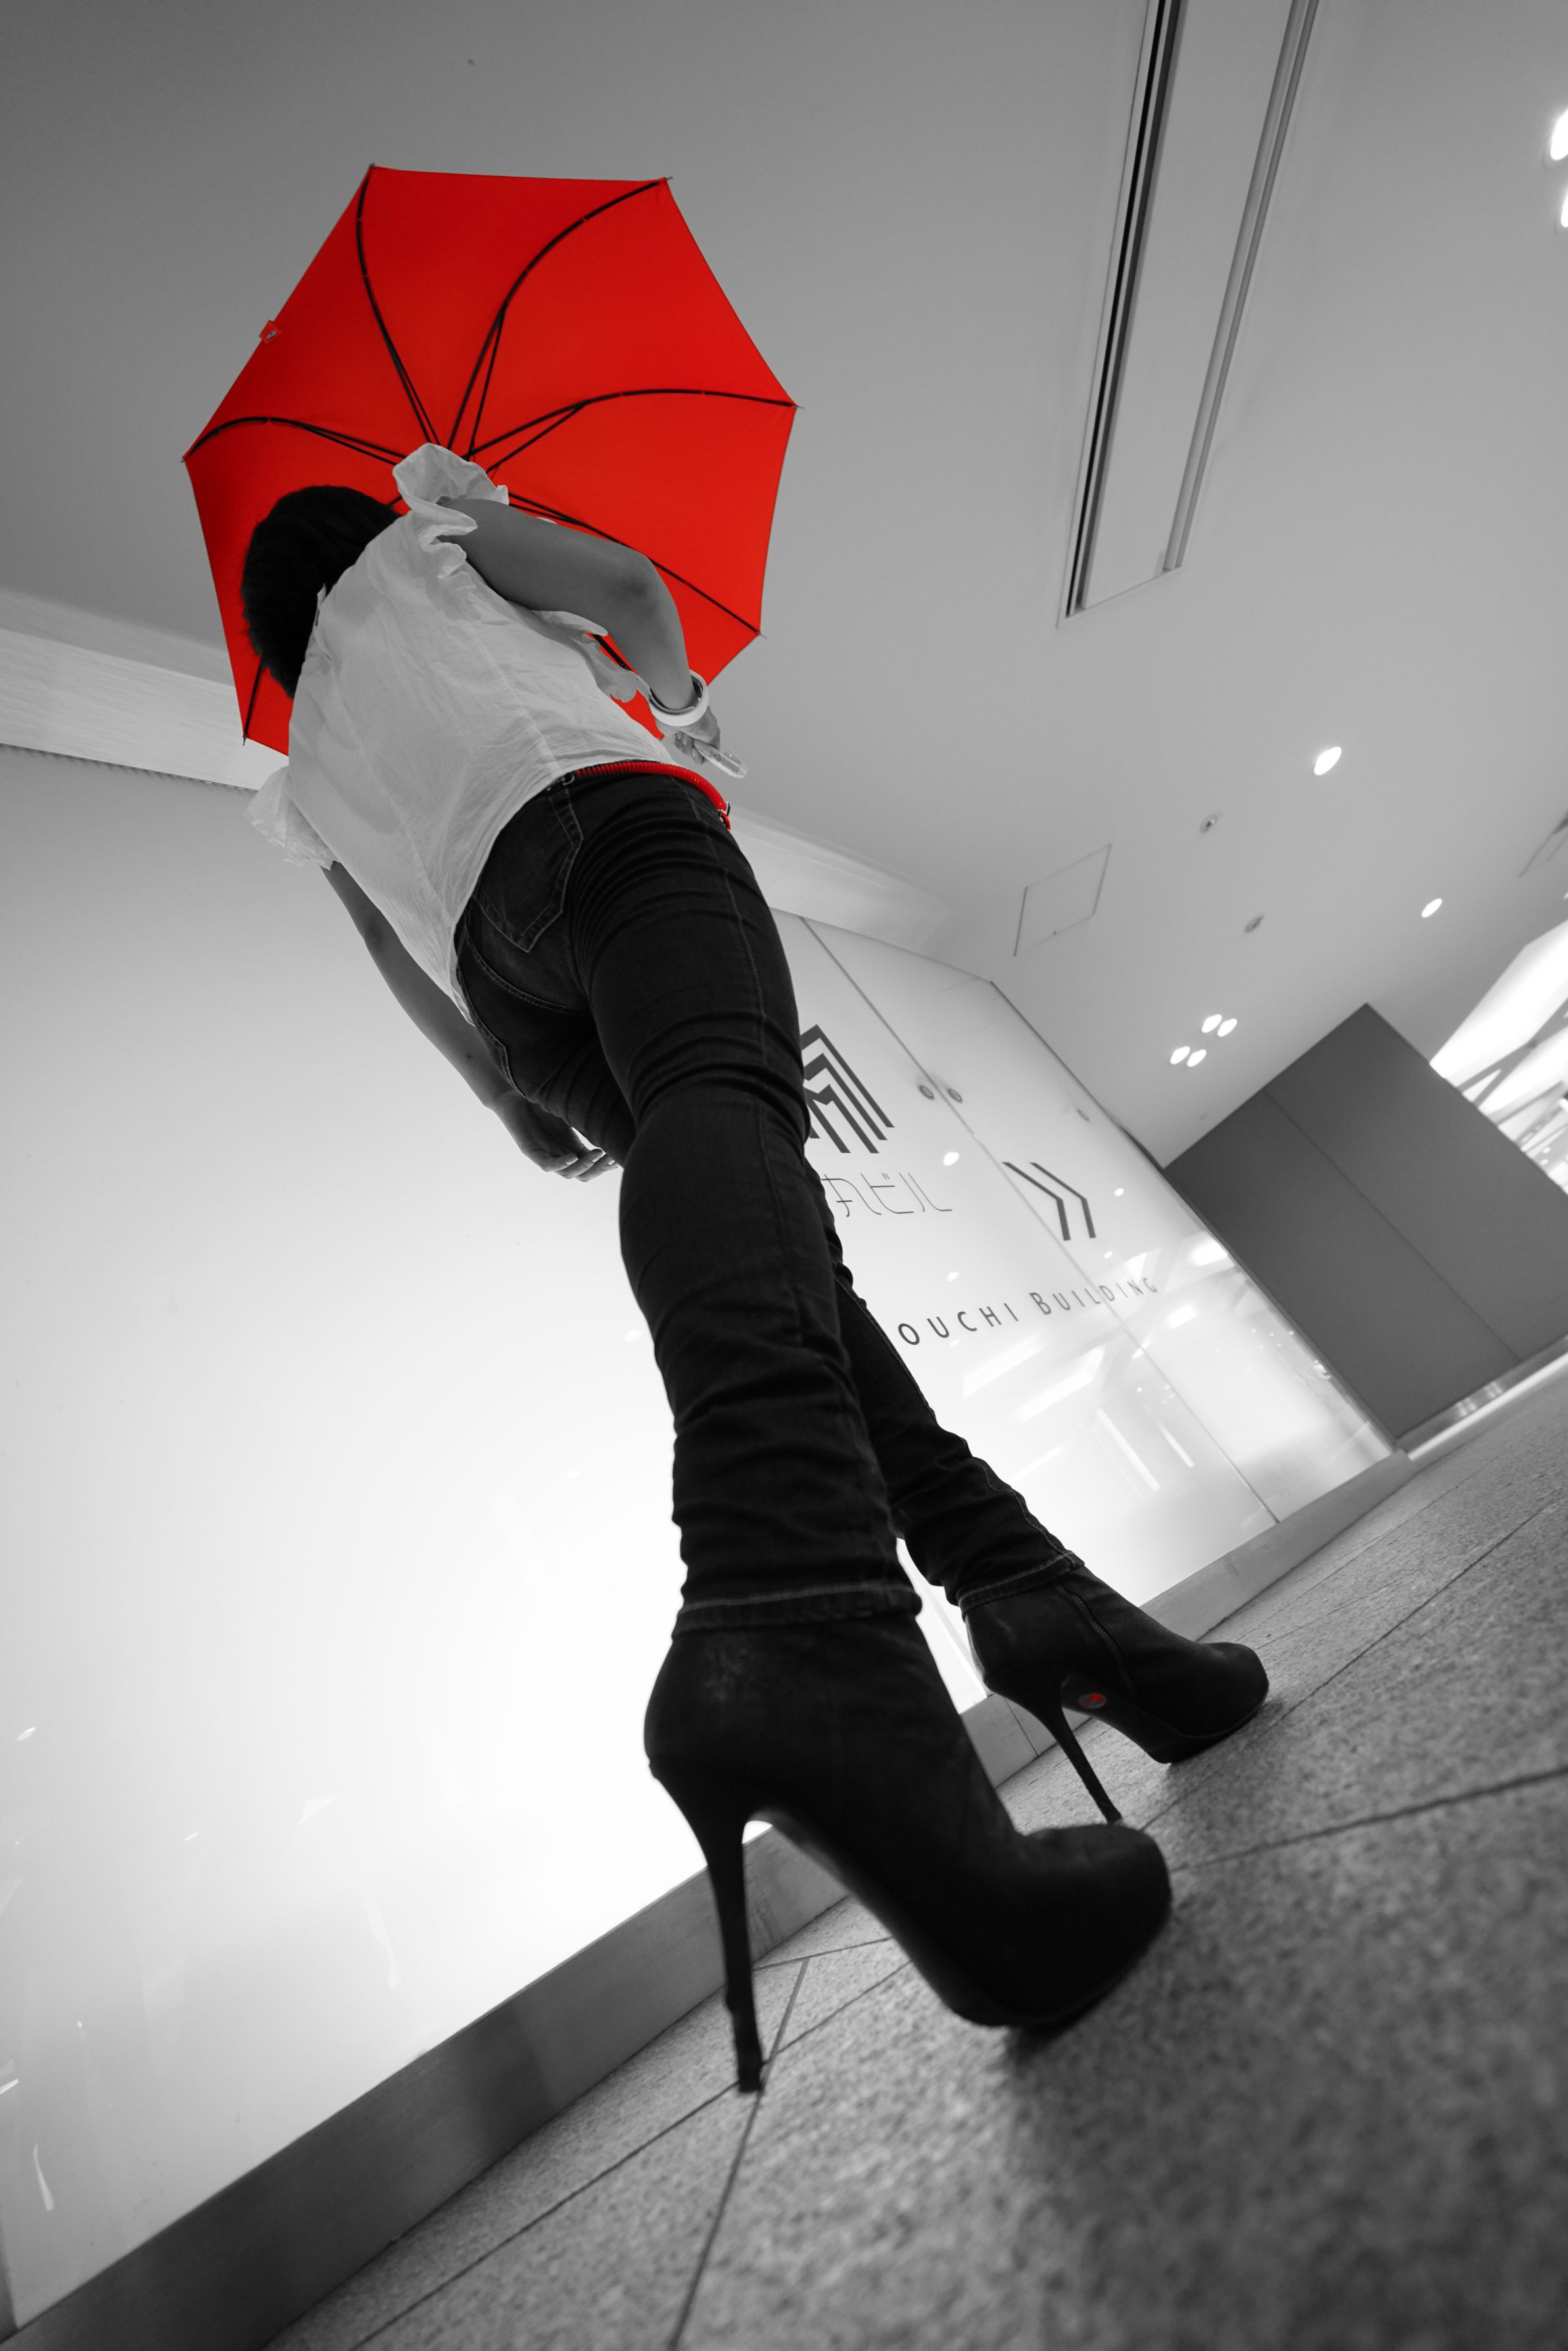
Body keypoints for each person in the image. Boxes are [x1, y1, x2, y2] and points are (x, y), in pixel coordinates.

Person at [240, 445, 1266, 2091]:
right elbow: (628, 590)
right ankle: (788, 1605)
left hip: (508, 988)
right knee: (734, 1107)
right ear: (363, 529)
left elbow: (383, 938)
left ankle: (1032, 1595)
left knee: (795, 1270)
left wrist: (505, 1099)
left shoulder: (305, 762)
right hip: (603, 825)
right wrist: (681, 704)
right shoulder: (428, 538)